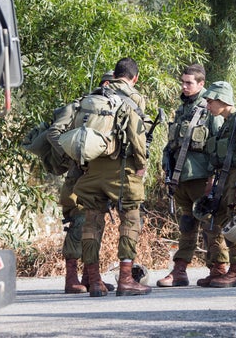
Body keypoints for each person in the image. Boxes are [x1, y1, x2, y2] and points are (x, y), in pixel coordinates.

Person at [72, 57, 152, 297]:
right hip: (121, 170)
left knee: (91, 224)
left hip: (92, 170)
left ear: (114, 74)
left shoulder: (92, 98)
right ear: (134, 77)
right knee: (130, 220)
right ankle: (126, 279)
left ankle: (94, 281)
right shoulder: (134, 98)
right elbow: (137, 137)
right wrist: (141, 164)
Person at [46, 72, 116, 294]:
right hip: (78, 176)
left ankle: (89, 276)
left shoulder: (113, 109)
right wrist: (73, 155)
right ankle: (71, 278)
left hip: (100, 176)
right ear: (106, 84)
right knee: (78, 222)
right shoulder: (77, 107)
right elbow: (54, 132)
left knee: (95, 225)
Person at [156, 64, 224, 287]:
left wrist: (213, 179)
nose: (184, 86)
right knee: (187, 224)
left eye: (189, 83)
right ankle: (180, 270)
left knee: (210, 225)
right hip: (181, 177)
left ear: (201, 83)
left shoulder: (210, 109)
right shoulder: (182, 109)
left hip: (201, 177)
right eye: (183, 82)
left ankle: (218, 269)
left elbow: (218, 146)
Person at [199, 81, 236, 288]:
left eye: (210, 101)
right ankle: (220, 269)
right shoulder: (226, 123)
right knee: (221, 221)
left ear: (222, 99)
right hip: (225, 180)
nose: (208, 106)